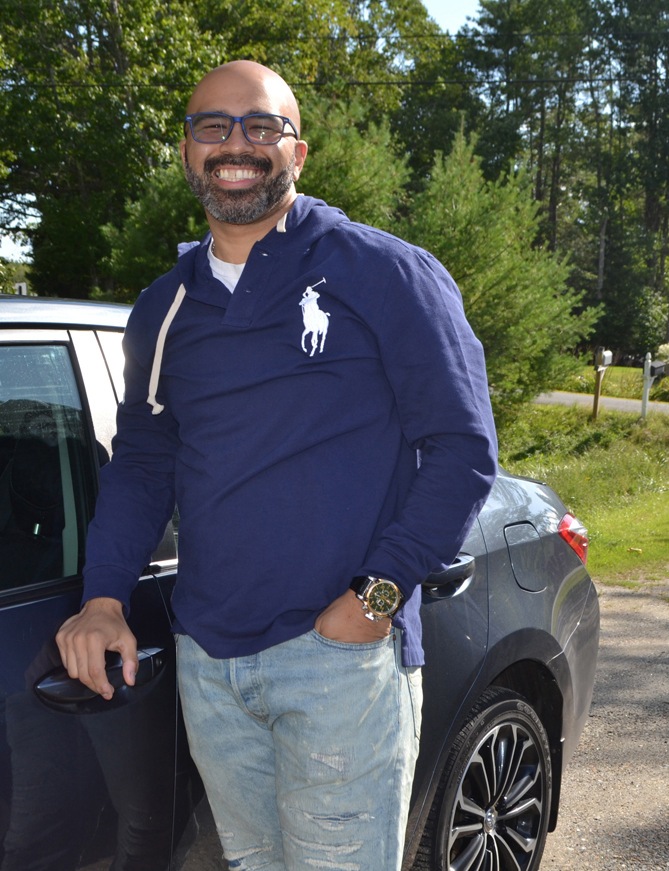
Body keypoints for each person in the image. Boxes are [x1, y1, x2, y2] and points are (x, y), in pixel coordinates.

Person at [57, 60, 498, 871]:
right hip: (211, 664)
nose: (237, 144)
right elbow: (145, 462)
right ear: (188, 151)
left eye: (262, 126)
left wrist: (376, 598)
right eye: (213, 126)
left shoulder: (384, 273)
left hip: (339, 661)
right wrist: (104, 597)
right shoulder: (165, 307)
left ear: (300, 151)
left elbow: (465, 449)